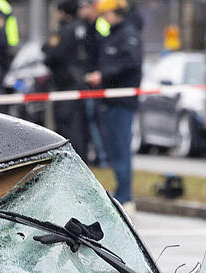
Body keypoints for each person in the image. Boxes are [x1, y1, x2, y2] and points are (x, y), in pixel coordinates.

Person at [85, 0, 140, 211]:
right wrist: (91, 23)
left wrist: (104, 75)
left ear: (117, 13)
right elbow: (92, 47)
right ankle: (121, 193)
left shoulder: (128, 35)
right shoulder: (111, 35)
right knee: (114, 151)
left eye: (106, 14)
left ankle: (126, 196)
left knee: (121, 149)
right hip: (108, 101)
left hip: (122, 102)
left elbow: (131, 63)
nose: (104, 18)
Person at [43, 0, 91, 158]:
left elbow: (53, 55)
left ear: (64, 13)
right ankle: (81, 157)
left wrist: (49, 50)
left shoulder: (65, 31)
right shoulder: (83, 27)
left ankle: (70, 158)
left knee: (67, 125)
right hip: (78, 82)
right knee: (78, 125)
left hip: (65, 83)